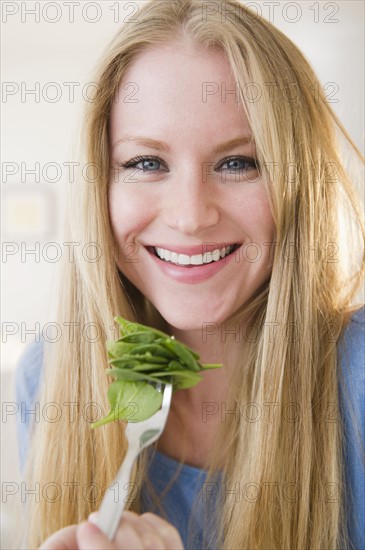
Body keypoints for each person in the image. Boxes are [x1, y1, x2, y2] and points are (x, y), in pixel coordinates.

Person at [15, 0, 364, 548]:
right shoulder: (49, 376)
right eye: (146, 163)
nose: (189, 215)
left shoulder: (359, 379)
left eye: (238, 163)